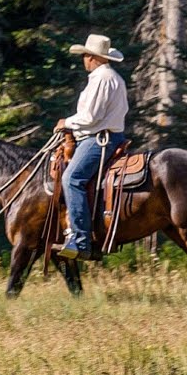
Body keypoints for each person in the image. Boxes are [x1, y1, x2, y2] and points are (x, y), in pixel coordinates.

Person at [52, 34, 129, 260]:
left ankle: (80, 240)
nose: (84, 59)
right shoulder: (114, 78)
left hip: (98, 139)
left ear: (93, 57)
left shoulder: (101, 79)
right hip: (110, 135)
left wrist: (66, 123)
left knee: (71, 178)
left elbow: (90, 117)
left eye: (85, 55)